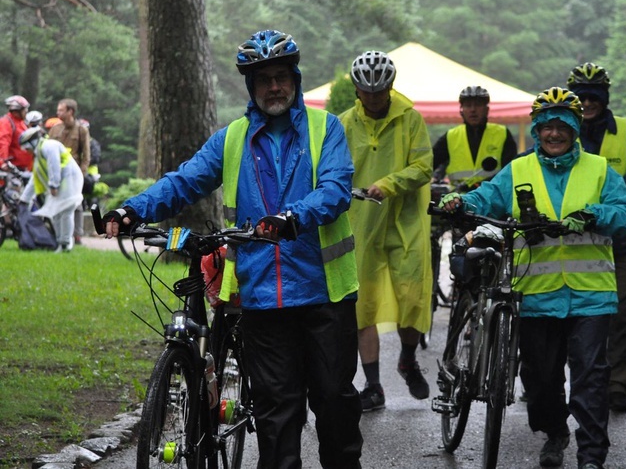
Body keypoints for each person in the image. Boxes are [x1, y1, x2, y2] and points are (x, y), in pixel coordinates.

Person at [102, 29, 362, 469]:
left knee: (334, 406)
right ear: (251, 87)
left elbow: (336, 190)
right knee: (277, 417)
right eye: (263, 80)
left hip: (325, 295)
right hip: (262, 298)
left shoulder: (326, 128)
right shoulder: (233, 138)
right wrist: (133, 209)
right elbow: (185, 180)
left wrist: (293, 217)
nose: (273, 87)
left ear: (295, 79)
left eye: (280, 77)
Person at [439, 87, 626, 469]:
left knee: (590, 380)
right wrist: (461, 202)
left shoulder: (598, 169)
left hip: (591, 296)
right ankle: (555, 432)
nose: (555, 134)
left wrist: (593, 214)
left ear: (575, 130)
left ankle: (591, 456)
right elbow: (488, 197)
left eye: (563, 126)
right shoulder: (520, 169)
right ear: (538, 129)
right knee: (541, 381)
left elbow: (623, 213)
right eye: (548, 127)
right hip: (536, 295)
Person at [338, 50, 433, 411]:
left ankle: (408, 359)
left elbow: (424, 167)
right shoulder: (343, 123)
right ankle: (373, 386)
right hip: (360, 226)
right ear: (357, 91)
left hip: (405, 224)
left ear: (391, 88)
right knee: (364, 306)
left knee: (412, 299)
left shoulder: (410, 120)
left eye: (381, 92)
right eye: (368, 92)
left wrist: (389, 184)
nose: (375, 98)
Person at [567, 63, 626, 413]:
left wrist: (611, 192)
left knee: (622, 315)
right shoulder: (562, 130)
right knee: (579, 316)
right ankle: (580, 383)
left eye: (594, 97)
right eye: (581, 97)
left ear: (605, 98)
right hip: (580, 240)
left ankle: (618, 385)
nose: (588, 103)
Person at [432, 85, 517, 189]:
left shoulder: (502, 133)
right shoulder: (451, 136)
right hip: (458, 200)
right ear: (461, 110)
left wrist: (480, 186)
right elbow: (428, 165)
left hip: (492, 198)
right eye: (468, 105)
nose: (473, 109)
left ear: (487, 109)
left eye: (478, 105)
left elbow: (510, 170)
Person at [18, 126, 84, 252]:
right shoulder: (39, 154)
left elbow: (54, 164)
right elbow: (34, 179)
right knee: (57, 213)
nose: (26, 151)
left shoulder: (49, 146)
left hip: (69, 180)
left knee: (66, 211)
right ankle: (60, 243)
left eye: (26, 147)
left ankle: (65, 244)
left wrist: (54, 185)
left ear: (32, 142)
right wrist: (24, 199)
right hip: (62, 183)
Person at [48, 99, 91, 245]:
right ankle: (57, 235)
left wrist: (82, 174)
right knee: (56, 203)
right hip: (56, 173)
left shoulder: (81, 130)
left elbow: (86, 155)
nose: (58, 113)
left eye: (61, 110)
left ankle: (77, 235)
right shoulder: (54, 129)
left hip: (73, 174)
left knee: (76, 204)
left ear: (70, 111)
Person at [0, 95, 33, 170]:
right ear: (16, 111)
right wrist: (3, 163)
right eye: (25, 109)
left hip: (25, 167)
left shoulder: (22, 122)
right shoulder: (6, 122)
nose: (26, 111)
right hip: (13, 168)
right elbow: (3, 143)